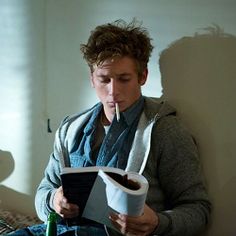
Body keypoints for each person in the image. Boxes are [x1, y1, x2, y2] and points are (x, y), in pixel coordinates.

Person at [10, 19, 211, 236]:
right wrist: (53, 200)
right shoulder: (70, 129)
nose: (113, 92)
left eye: (124, 79)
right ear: (91, 79)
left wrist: (158, 223)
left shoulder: (165, 131)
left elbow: (199, 209)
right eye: (104, 79)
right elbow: (44, 192)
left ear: (142, 76)